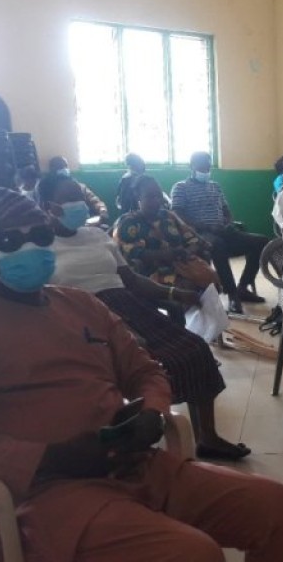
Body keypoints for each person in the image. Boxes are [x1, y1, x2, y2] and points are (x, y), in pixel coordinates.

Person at [0, 187, 283, 562]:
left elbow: (145, 370)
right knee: (193, 553)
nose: (30, 247)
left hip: (130, 466)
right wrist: (46, 458)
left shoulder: (81, 306)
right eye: (8, 241)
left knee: (277, 508)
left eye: (40, 235)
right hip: (44, 494)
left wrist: (152, 412)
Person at [39, 172, 250, 461]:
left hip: (127, 303)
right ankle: (138, 437)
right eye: (70, 199)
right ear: (48, 206)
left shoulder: (97, 236)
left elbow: (133, 280)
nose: (80, 204)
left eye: (80, 197)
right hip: (85, 315)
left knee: (196, 349)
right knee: (150, 360)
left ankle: (207, 437)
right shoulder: (41, 249)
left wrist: (176, 293)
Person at [171, 151, 270, 309]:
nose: (206, 171)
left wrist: (228, 223)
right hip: (199, 234)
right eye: (202, 167)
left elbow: (226, 210)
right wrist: (206, 227)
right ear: (192, 166)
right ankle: (232, 294)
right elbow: (177, 215)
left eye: (208, 167)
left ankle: (243, 287)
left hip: (223, 231)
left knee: (261, 242)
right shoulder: (181, 187)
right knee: (217, 245)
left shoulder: (215, 186)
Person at [116, 176, 223, 309]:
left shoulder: (168, 216)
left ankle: (208, 319)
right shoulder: (128, 223)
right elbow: (132, 254)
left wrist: (186, 252)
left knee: (210, 280)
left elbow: (194, 239)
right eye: (150, 197)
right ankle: (185, 320)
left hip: (181, 265)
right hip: (150, 273)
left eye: (159, 196)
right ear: (138, 196)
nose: (156, 201)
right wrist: (167, 254)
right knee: (187, 288)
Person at [48, 156, 110, 225]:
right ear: (52, 170)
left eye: (65, 166)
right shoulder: (48, 189)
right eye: (59, 167)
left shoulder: (80, 187)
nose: (63, 169)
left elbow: (94, 200)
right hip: (60, 225)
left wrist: (102, 210)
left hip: (84, 224)